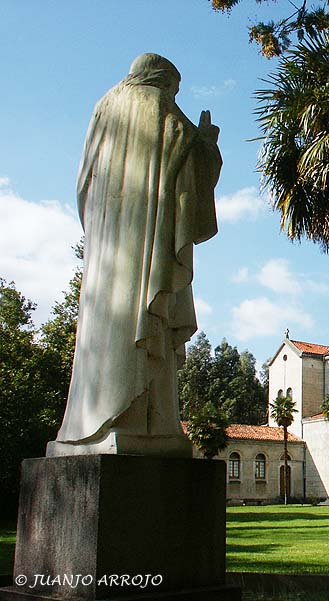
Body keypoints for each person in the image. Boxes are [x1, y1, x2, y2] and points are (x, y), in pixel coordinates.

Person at [48, 53, 222, 457]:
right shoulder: (156, 104)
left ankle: (87, 427)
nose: (175, 95)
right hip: (147, 241)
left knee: (103, 330)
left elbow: (82, 184)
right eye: (175, 88)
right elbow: (187, 155)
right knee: (145, 320)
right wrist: (207, 144)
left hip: (108, 241)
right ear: (162, 81)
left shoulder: (104, 106)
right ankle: (140, 424)